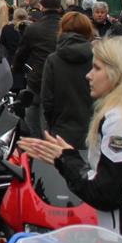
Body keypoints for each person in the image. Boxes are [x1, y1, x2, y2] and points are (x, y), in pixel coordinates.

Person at [20, 36, 122, 243]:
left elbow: (105, 193)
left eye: (96, 68)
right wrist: (63, 159)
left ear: (119, 73)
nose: (88, 75)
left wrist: (66, 160)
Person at [40, 11, 96, 150]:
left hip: (62, 129)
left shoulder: (53, 59)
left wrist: (51, 123)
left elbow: (47, 99)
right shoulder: (98, 57)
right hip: (94, 128)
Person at [14, 0, 65, 136]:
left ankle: (35, 145)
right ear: (59, 8)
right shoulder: (65, 27)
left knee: (32, 113)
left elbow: (22, 53)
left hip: (38, 78)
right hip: (61, 78)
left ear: (42, 7)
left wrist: (16, 68)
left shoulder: (34, 28)